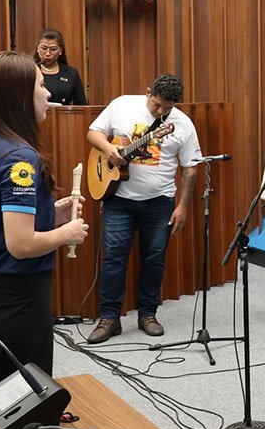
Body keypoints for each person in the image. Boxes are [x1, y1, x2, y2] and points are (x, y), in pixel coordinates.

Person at [0, 52, 89, 388]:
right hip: (13, 302)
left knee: (1, 401)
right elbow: (21, 245)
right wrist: (67, 233)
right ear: (19, 96)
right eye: (41, 86)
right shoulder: (20, 159)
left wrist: (51, 215)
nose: (48, 93)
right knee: (28, 407)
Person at [85, 75, 201, 343]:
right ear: (148, 92)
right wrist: (109, 149)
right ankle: (109, 317)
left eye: (167, 107)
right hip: (118, 198)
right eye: (157, 104)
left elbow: (191, 168)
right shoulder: (122, 104)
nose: (161, 111)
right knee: (114, 258)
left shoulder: (182, 124)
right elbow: (93, 132)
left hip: (159, 202)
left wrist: (182, 206)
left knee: (154, 259)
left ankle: (148, 314)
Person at [32, 29, 87, 106]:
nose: (47, 53)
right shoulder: (30, 70)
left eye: (53, 49)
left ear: (60, 50)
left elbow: (81, 105)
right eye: (43, 48)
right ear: (37, 49)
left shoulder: (71, 73)